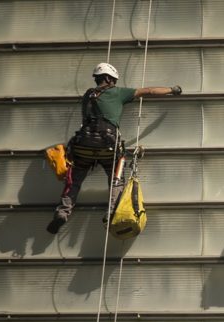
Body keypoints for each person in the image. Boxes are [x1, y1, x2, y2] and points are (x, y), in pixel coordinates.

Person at [46, 63, 183, 234]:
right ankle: (112, 214)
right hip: (107, 146)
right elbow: (148, 91)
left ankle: (63, 212)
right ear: (110, 79)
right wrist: (172, 89)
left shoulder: (88, 94)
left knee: (73, 181)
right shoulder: (118, 93)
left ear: (97, 78)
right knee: (116, 179)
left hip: (83, 146)